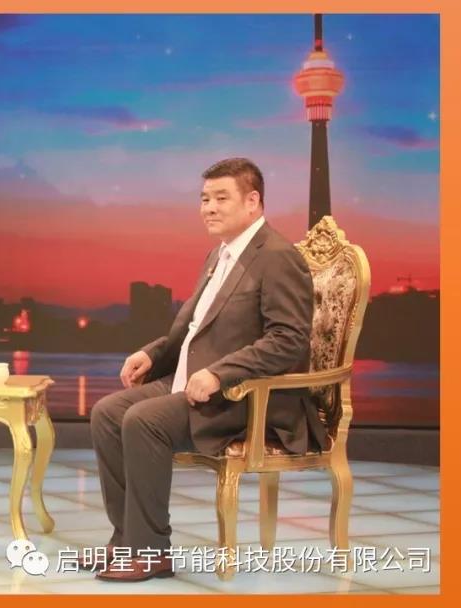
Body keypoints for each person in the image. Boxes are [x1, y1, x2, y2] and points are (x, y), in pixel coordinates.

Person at [86, 158, 325, 582]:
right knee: (108, 412)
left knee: (144, 419)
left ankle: (150, 550)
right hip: (192, 382)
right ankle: (127, 540)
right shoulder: (219, 254)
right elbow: (194, 330)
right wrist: (152, 355)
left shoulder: (277, 256)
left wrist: (220, 373)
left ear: (252, 201)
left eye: (220, 198)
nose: (209, 208)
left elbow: (288, 339)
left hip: (247, 396)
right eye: (204, 199)